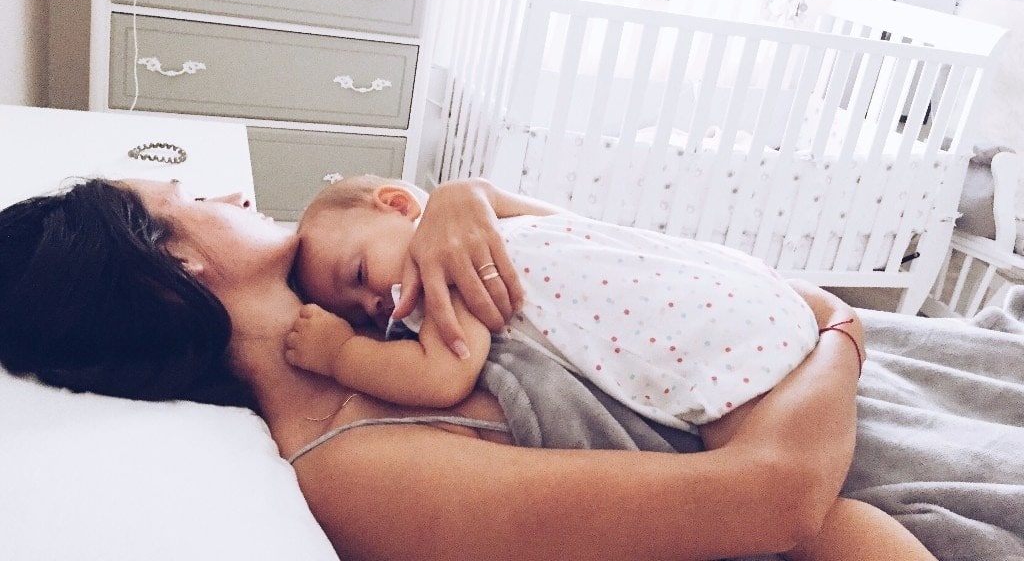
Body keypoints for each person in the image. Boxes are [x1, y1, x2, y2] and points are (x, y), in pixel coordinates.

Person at [0, 175, 880, 560]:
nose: (230, 194)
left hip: (778, 382)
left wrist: (462, 195)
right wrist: (836, 328)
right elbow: (776, 500)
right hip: (812, 448)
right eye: (188, 202)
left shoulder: (364, 310)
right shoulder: (356, 465)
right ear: (173, 271)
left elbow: (591, 256)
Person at [285, 175, 935, 561]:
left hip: (731, 352)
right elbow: (586, 228)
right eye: (363, 314)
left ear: (398, 204)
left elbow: (443, 376)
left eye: (361, 277)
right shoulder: (490, 221)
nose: (378, 308)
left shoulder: (444, 274)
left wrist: (342, 352)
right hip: (754, 294)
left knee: (820, 529)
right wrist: (468, 192)